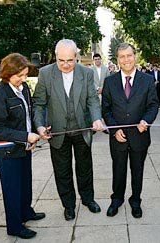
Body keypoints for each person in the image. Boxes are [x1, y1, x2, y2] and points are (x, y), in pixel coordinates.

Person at [33, 39, 104, 221]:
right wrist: (40, 126)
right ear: (56, 57)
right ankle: (69, 205)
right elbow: (39, 104)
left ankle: (88, 199)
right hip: (57, 132)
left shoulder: (86, 73)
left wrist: (96, 118)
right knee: (62, 171)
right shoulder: (45, 74)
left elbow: (92, 100)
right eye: (61, 60)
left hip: (82, 129)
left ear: (76, 57)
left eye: (70, 60)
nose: (65, 65)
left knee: (84, 168)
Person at [0, 53, 45, 239]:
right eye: (19, 75)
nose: (24, 79)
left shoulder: (24, 88)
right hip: (8, 150)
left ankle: (26, 211)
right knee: (12, 189)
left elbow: (27, 115)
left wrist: (33, 133)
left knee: (24, 183)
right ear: (7, 73)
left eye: (25, 74)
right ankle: (14, 226)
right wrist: (25, 136)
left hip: (23, 146)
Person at [102, 42, 159, 218]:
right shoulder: (109, 81)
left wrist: (146, 120)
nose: (126, 60)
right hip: (117, 137)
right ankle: (116, 200)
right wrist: (114, 129)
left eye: (129, 55)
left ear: (135, 56)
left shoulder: (147, 80)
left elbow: (153, 105)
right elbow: (106, 108)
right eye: (122, 56)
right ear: (117, 59)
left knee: (137, 171)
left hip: (139, 136)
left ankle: (136, 201)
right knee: (118, 171)